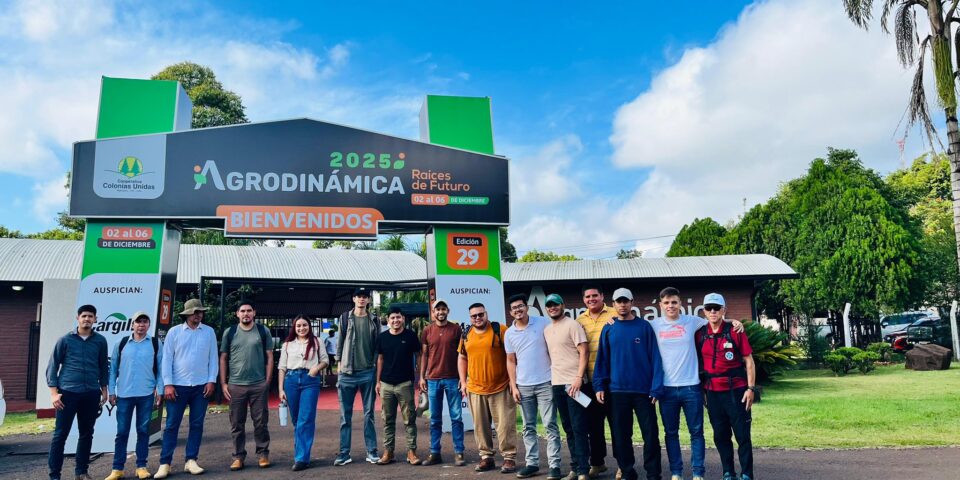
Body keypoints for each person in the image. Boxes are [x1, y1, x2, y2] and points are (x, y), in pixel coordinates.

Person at [651, 287, 743, 480]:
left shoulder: (692, 322)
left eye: (674, 302)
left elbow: (714, 320)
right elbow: (632, 325)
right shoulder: (654, 325)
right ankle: (676, 472)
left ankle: (697, 473)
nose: (670, 306)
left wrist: (732, 321)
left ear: (680, 304)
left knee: (696, 432)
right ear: (660, 305)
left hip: (691, 387)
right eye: (666, 303)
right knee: (671, 433)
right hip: (666, 390)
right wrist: (612, 320)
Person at [593, 288, 664, 480]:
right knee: (621, 436)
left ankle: (653, 473)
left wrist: (656, 388)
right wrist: (599, 385)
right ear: (613, 304)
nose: (622, 305)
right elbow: (602, 360)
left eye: (626, 301)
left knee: (650, 435)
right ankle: (627, 470)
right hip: (617, 392)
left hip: (644, 392)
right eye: (618, 301)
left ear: (632, 302)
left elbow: (656, 359)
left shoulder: (644, 327)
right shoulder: (609, 328)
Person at [155, 299, 219, 479]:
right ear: (187, 314)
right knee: (171, 425)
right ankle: (165, 463)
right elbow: (166, 359)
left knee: (197, 424)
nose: (198, 315)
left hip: (201, 386)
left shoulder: (209, 332)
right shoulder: (174, 332)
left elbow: (213, 358)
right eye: (195, 312)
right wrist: (167, 384)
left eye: (200, 312)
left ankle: (191, 460)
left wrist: (211, 380)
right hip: (177, 386)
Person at [696, 293, 757, 480]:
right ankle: (728, 472)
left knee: (742, 436)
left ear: (724, 309)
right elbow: (697, 364)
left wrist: (751, 389)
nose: (713, 311)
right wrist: (702, 391)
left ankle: (746, 474)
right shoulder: (699, 334)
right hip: (712, 393)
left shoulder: (735, 331)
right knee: (721, 436)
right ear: (704, 311)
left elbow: (749, 361)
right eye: (709, 308)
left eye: (717, 308)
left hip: (736, 392)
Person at [46, 304, 109, 480]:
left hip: (91, 393)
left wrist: (104, 389)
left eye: (91, 316)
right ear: (78, 318)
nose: (87, 319)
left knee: (87, 433)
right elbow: (52, 367)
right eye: (84, 316)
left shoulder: (100, 341)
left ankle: (81, 472)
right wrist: (53, 393)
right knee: (60, 435)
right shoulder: (65, 340)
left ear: (95, 319)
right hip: (68, 393)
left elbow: (103, 366)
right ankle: (54, 475)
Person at [504, 293, 561, 479]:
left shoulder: (543, 323)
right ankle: (532, 464)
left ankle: (555, 465)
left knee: (550, 424)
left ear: (526, 307)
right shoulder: (509, 333)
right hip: (523, 385)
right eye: (514, 308)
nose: (518, 310)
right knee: (529, 427)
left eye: (520, 306)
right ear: (511, 312)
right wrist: (513, 386)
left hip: (545, 383)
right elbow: (511, 361)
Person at [458, 302, 518, 473]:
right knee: (480, 427)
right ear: (470, 317)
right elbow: (462, 358)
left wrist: (514, 383)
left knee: (505, 425)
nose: (477, 318)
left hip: (501, 386)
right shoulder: (466, 334)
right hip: (475, 388)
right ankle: (486, 457)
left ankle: (509, 458)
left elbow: (512, 357)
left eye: (480, 314)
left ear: (486, 313)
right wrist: (463, 382)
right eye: (474, 316)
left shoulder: (501, 330)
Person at [105, 311, 163, 480]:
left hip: (146, 394)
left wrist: (159, 389)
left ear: (149, 325)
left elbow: (160, 369)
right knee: (122, 432)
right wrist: (112, 391)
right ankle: (117, 469)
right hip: (124, 395)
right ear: (132, 324)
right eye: (138, 322)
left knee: (143, 431)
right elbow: (113, 369)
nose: (141, 325)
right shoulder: (121, 343)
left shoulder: (155, 343)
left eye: (145, 322)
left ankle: (141, 466)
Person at [220, 301, 274, 470]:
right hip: (236, 385)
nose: (246, 314)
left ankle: (263, 454)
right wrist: (223, 383)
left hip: (258, 384)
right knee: (237, 423)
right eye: (242, 311)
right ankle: (238, 456)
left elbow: (270, 357)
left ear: (254, 313)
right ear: (237, 314)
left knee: (260, 422)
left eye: (249, 311)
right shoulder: (230, 332)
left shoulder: (263, 331)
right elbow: (223, 358)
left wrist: (267, 381)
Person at [542, 294, 591, 480]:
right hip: (557, 383)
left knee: (579, 428)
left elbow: (584, 350)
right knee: (568, 428)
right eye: (549, 305)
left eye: (555, 304)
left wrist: (579, 377)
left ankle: (583, 471)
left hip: (574, 383)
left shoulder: (573, 324)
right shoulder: (547, 330)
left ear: (563, 305)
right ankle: (575, 467)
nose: (552, 307)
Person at [575, 285, 618, 477]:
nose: (591, 299)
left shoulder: (616, 313)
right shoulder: (579, 320)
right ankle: (598, 463)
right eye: (588, 296)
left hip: (613, 381)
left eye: (595, 295)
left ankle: (623, 464)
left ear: (602, 296)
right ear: (584, 300)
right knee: (594, 426)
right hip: (589, 382)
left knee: (617, 425)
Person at [334, 287, 380, 466]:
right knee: (345, 416)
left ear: (368, 300)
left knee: (369, 414)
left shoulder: (374, 320)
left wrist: (375, 366)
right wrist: (338, 366)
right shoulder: (345, 318)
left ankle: (372, 450)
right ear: (353, 299)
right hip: (347, 372)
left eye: (364, 297)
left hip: (367, 372)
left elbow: (377, 346)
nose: (362, 299)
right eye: (359, 296)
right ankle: (344, 453)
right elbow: (340, 342)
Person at [418, 299, 467, 467]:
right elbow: (424, 355)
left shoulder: (456, 329)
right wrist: (422, 376)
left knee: (456, 417)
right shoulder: (427, 331)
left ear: (448, 311)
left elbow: (463, 355)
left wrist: (463, 377)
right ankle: (434, 453)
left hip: (453, 379)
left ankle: (459, 453)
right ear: (433, 312)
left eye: (443, 309)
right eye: (437, 309)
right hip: (432, 380)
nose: (440, 312)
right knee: (435, 420)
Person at [278, 314, 329, 471]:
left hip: (309, 381)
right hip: (291, 381)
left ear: (309, 326)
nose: (301, 328)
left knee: (305, 419)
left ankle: (301, 458)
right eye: (298, 325)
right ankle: (301, 451)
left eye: (304, 325)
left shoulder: (317, 342)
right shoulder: (287, 344)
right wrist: (280, 389)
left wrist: (316, 369)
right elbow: (282, 368)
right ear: (294, 327)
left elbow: (325, 361)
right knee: (296, 420)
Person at [374, 307, 422, 465]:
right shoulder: (382, 338)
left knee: (410, 420)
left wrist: (420, 376)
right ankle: (388, 452)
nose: (396, 320)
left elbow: (419, 355)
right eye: (393, 318)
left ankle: (411, 452)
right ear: (388, 320)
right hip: (386, 384)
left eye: (398, 317)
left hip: (405, 384)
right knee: (388, 420)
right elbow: (380, 359)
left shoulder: (410, 336)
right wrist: (378, 381)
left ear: (403, 319)